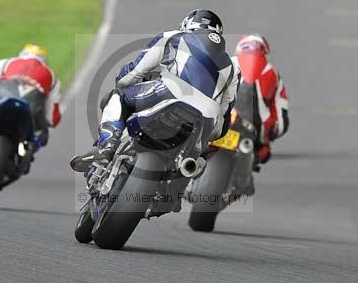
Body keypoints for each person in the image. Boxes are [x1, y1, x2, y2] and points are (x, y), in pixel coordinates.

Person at [70, 9, 239, 172]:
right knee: (192, 164)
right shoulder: (233, 67)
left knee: (118, 97)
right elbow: (223, 121)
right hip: (208, 119)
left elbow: (134, 72)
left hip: (173, 92)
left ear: (188, 25)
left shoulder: (174, 37)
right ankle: (171, 197)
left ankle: (106, 147)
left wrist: (122, 81)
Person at [0, 44, 61, 152]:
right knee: (41, 134)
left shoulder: (7, 62)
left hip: (6, 93)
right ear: (44, 61)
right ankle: (28, 151)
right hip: (33, 104)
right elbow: (52, 117)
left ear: (21, 55)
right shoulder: (52, 76)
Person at [232, 33, 289, 166]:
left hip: (219, 125)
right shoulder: (272, 72)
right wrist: (270, 133)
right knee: (263, 153)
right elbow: (280, 122)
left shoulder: (226, 62)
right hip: (256, 135)